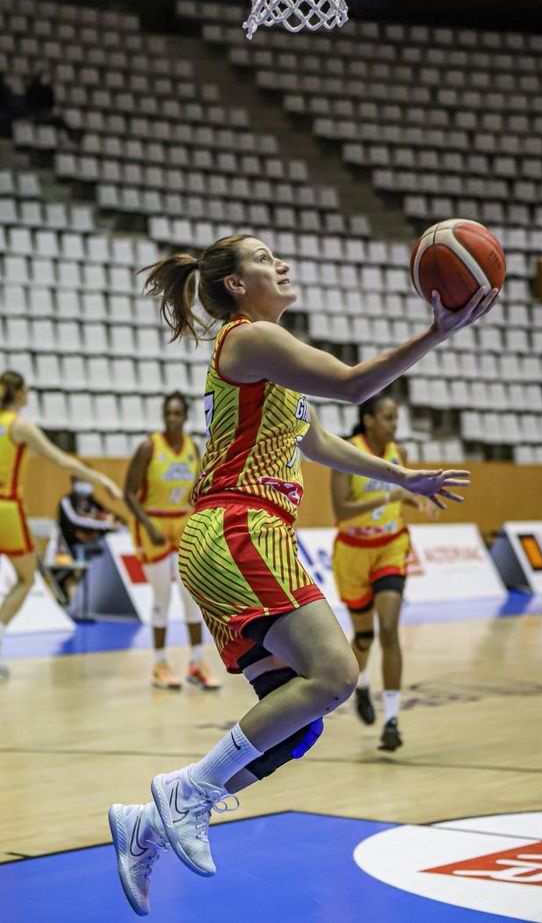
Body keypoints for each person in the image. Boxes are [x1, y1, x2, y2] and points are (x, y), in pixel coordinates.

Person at [108, 233, 496, 916]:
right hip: (239, 527)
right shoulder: (248, 337)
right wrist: (436, 332)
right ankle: (184, 794)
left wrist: (401, 475)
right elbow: (352, 384)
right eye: (263, 258)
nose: (279, 264)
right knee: (339, 672)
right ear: (234, 284)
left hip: (239, 536)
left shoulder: (270, 362)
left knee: (301, 720)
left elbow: (318, 441)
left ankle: (147, 825)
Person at [330, 393, 438, 751]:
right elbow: (342, 510)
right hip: (352, 552)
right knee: (364, 639)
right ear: (369, 419)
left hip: (390, 546)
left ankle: (391, 720)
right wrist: (390, 498)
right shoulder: (348, 453)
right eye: (388, 418)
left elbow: (405, 492)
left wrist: (416, 497)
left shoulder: (399, 454)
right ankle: (360, 686)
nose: (394, 425)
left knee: (389, 629)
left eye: (396, 418)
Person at [0, 370, 121, 677]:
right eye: (26, 389)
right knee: (26, 579)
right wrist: (101, 478)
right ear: (18, 394)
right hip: (7, 507)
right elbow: (61, 460)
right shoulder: (20, 426)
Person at [124, 391, 220, 691]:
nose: (172, 418)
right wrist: (147, 525)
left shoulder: (193, 448)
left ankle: (195, 662)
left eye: (177, 413)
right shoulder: (148, 447)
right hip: (152, 522)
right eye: (168, 413)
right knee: (162, 597)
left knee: (191, 596)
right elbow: (128, 492)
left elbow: (199, 491)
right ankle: (159, 663)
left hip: (182, 521)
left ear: (186, 417)